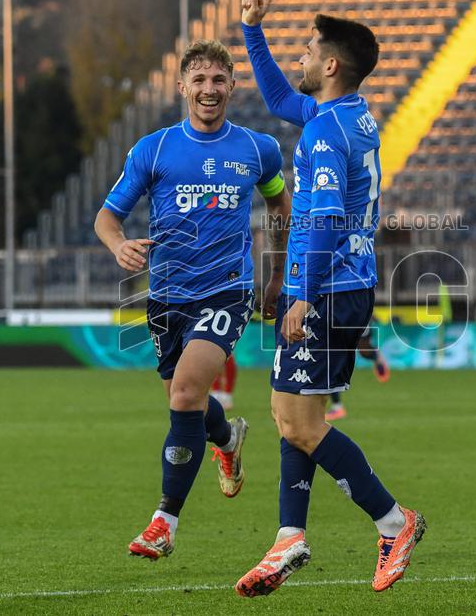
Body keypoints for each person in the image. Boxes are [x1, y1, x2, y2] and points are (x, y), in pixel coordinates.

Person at [235, 0, 425, 596]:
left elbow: (318, 221)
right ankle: (290, 536)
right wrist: (252, 32)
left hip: (328, 287)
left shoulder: (323, 135)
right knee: (292, 415)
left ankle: (395, 522)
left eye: (308, 50)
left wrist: (300, 295)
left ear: (332, 64)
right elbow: (278, 98)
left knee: (298, 421)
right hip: (348, 283)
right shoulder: (348, 117)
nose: (301, 58)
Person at [95, 39, 291, 561]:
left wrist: (276, 276)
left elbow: (279, 203)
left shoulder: (258, 149)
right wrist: (119, 246)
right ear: (183, 88)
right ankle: (227, 441)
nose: (209, 90)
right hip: (166, 298)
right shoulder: (153, 149)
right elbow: (107, 218)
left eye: (219, 80)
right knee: (189, 403)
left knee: (184, 396)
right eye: (199, 81)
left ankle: (164, 522)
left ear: (232, 86)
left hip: (226, 291)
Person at [326, 322, 391, 421]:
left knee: (364, 352)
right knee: (331, 365)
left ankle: (377, 358)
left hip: (355, 318)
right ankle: (337, 407)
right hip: (338, 322)